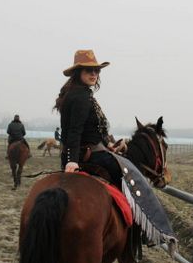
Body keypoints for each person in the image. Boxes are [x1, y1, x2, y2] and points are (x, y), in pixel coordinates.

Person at [55, 49, 176, 248]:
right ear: (78, 73)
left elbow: (87, 131)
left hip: (90, 151)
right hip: (89, 156)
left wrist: (108, 145)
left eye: (96, 70)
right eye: (88, 70)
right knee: (135, 176)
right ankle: (150, 231)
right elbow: (73, 132)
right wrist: (72, 160)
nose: (94, 74)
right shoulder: (81, 97)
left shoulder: (78, 94)